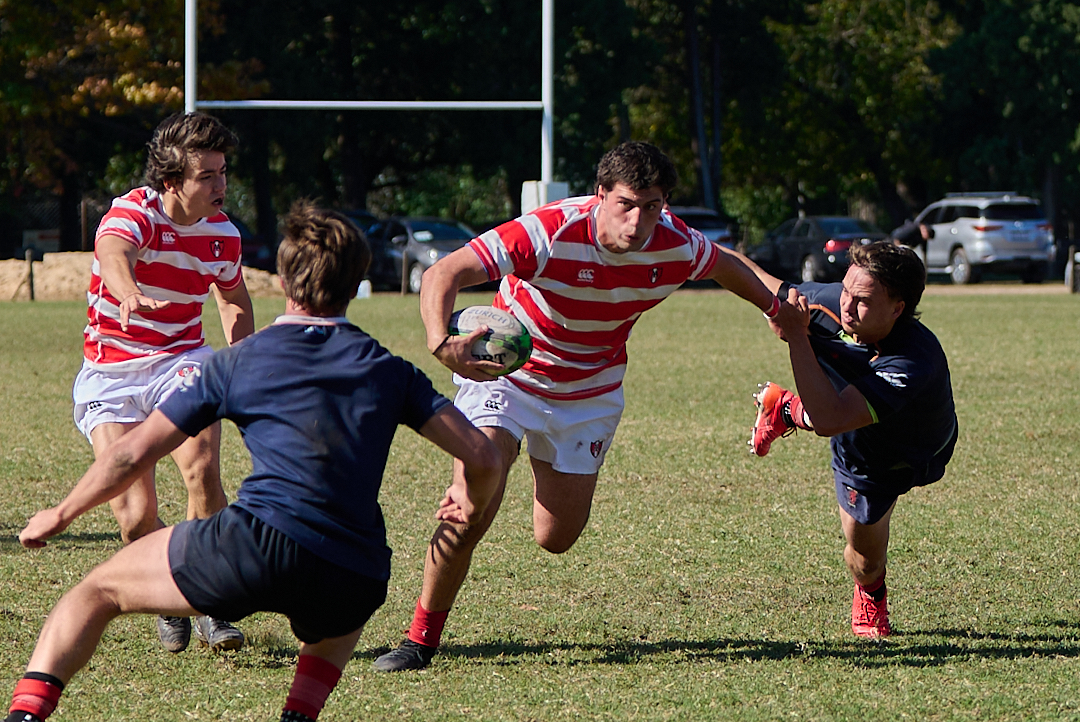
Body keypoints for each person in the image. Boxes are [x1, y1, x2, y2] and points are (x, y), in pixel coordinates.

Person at [6, 202, 500, 722]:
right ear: (356, 284)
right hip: (355, 567)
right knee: (339, 614)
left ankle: (25, 716)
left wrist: (60, 514)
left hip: (256, 546)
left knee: (94, 592)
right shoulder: (391, 370)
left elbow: (130, 453)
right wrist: (469, 493)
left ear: (285, 281)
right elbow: (483, 453)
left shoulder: (237, 362)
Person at [373, 140, 784, 671]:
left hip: (589, 393)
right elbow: (441, 273)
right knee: (475, 501)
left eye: (654, 206)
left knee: (557, 537)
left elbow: (725, 264)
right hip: (510, 376)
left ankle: (489, 475)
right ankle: (420, 639)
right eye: (627, 204)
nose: (639, 221)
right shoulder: (547, 231)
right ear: (600, 196)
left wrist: (774, 303)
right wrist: (439, 340)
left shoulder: (674, 243)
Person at [73, 111, 255, 652]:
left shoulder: (223, 235)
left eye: (223, 172)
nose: (221, 185)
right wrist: (128, 292)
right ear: (172, 181)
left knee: (201, 469)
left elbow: (234, 300)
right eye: (208, 176)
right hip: (112, 371)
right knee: (133, 518)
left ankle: (213, 601)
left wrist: (243, 363)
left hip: (182, 358)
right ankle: (170, 592)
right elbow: (113, 252)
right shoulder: (135, 212)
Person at [748, 241, 957, 638]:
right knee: (865, 560)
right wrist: (702, 251)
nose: (845, 305)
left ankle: (785, 408)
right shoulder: (827, 304)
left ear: (898, 308)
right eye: (845, 290)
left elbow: (830, 416)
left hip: (924, 448)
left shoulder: (914, 358)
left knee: (843, 412)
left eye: (861, 300)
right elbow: (761, 284)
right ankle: (871, 593)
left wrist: (796, 336)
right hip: (865, 456)